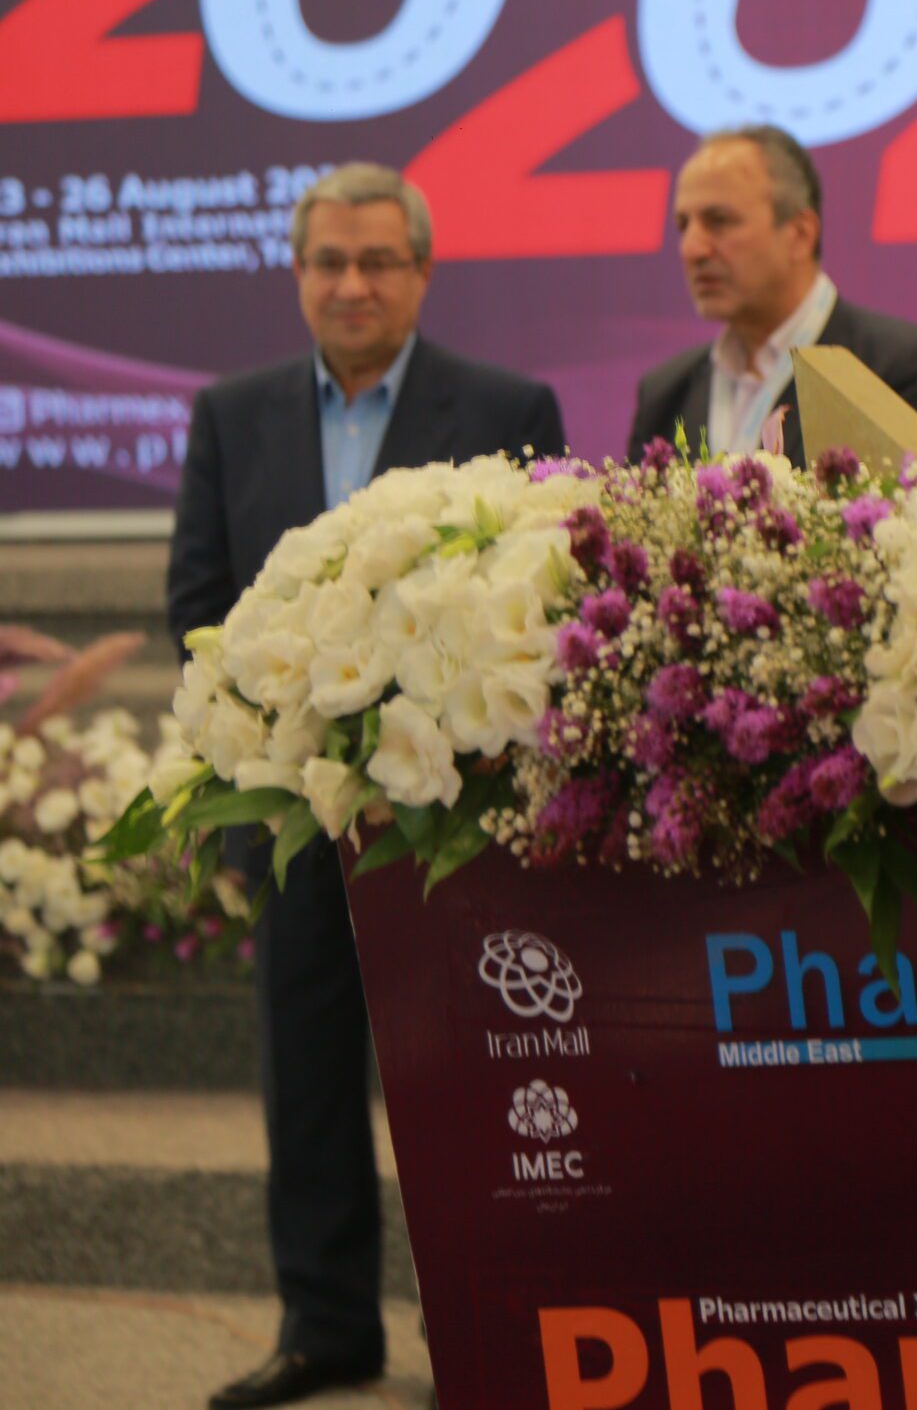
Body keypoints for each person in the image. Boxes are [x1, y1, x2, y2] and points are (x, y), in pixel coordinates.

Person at [168, 164, 565, 1409]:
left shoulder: (505, 406)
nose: (351, 284)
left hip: (451, 831)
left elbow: (546, 602)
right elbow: (199, 609)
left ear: (421, 273)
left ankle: (493, 1338)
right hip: (298, 822)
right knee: (308, 1088)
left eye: (377, 261)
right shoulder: (231, 415)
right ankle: (325, 1327)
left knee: (475, 1092)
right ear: (297, 275)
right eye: (328, 261)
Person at [627, 125, 917, 463]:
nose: (692, 249)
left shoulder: (900, 371)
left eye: (719, 221)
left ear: (801, 234)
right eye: (683, 225)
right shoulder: (664, 394)